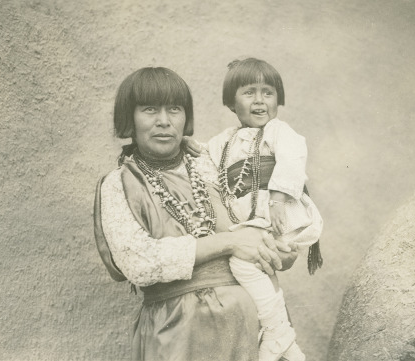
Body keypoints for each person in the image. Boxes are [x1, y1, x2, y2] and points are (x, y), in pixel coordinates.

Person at [93, 67, 300, 361]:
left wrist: (277, 249)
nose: (164, 121)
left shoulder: (209, 163)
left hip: (251, 327)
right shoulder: (119, 184)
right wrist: (228, 243)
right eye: (150, 110)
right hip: (179, 333)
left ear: (185, 117)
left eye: (174, 110)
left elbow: (255, 221)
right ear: (130, 117)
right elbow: (139, 263)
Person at [206, 58, 324, 361]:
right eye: (249, 92)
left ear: (278, 100)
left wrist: (276, 199)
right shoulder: (223, 142)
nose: (259, 100)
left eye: (268, 92)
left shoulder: (278, 130)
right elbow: (207, 168)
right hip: (254, 221)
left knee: (243, 264)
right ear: (231, 102)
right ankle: (286, 344)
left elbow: (292, 158)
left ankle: (276, 330)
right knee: (252, 266)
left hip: (281, 214)